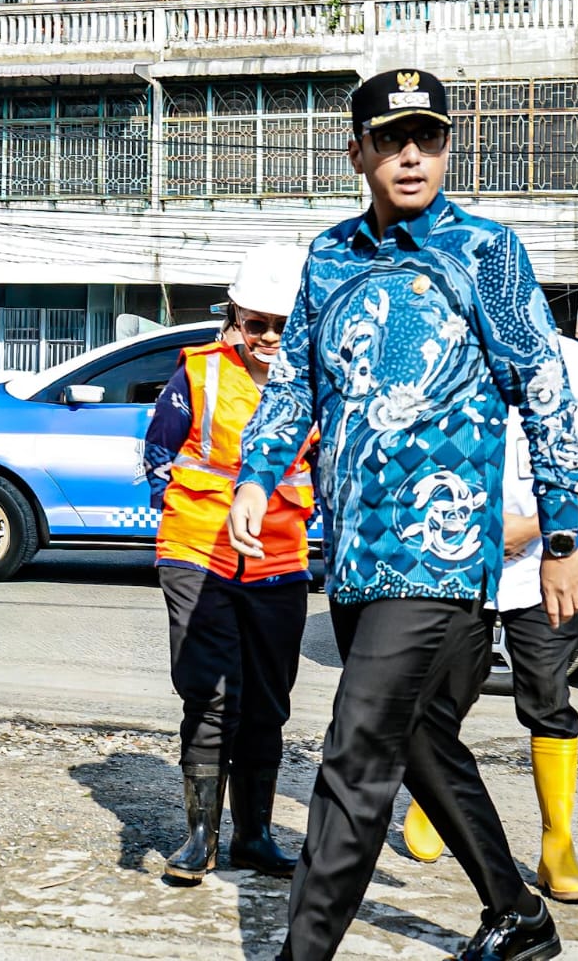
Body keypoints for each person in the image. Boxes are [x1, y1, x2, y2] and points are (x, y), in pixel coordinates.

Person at [226, 68, 578, 961]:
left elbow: (543, 393)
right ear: (358, 152)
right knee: (422, 736)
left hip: (439, 548)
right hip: (352, 551)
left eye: (426, 138)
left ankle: (299, 953)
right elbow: (299, 382)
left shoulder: (485, 251)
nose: (411, 155)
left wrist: (559, 532)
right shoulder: (329, 257)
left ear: (445, 147)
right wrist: (256, 474)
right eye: (391, 140)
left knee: (355, 752)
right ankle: (519, 918)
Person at [401, 333, 578, 905]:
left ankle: (557, 845)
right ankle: (435, 802)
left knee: (547, 694)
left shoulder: (568, 359)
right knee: (447, 691)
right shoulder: (442, 344)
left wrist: (538, 527)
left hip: (544, 560)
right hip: (454, 555)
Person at [144, 245, 315, 885]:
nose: (269, 337)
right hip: (199, 552)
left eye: (282, 324)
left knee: (269, 703)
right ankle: (199, 840)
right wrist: (186, 517)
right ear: (235, 318)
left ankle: (255, 837)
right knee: (211, 697)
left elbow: (327, 468)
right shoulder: (200, 372)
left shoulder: (317, 383)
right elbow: (160, 453)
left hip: (280, 558)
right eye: (256, 324)